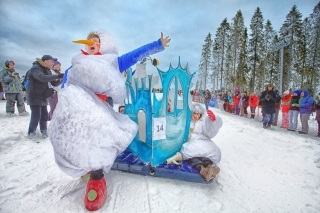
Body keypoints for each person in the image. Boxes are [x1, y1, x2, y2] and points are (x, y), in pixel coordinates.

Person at [48, 30, 171, 211]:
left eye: (96, 41)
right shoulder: (78, 63)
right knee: (78, 140)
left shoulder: (112, 62)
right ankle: (86, 166)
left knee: (99, 141)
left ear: (102, 44)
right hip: (79, 112)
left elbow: (135, 55)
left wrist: (157, 45)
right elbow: (67, 85)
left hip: (99, 113)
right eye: (89, 41)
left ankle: (97, 177)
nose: (91, 43)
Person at [166, 103, 223, 182]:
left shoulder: (202, 123)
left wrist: (213, 122)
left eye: (198, 114)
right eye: (194, 114)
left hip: (202, 141)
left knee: (210, 152)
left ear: (201, 115)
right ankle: (203, 169)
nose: (196, 116)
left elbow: (209, 131)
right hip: (191, 143)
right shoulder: (187, 122)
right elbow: (177, 125)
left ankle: (210, 168)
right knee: (194, 157)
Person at [26, 55, 64, 139]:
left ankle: (44, 131)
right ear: (45, 61)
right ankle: (31, 133)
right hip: (34, 95)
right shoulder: (36, 68)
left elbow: (53, 83)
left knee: (44, 115)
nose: (52, 63)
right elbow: (41, 78)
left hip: (43, 95)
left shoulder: (47, 70)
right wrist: (57, 76)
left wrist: (59, 80)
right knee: (36, 115)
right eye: (51, 61)